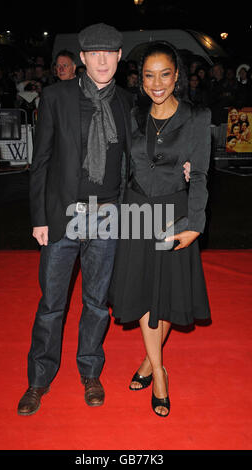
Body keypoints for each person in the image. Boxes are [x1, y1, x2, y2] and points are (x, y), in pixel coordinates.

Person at [17, 23, 133, 416]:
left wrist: (182, 165)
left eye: (110, 52)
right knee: (52, 303)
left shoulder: (127, 103)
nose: (102, 60)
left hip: (108, 217)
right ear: (82, 58)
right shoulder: (56, 97)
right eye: (94, 53)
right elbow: (42, 162)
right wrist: (39, 217)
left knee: (97, 303)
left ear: (119, 57)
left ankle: (90, 372)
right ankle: (38, 380)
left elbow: (139, 160)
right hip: (62, 216)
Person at [109, 41, 211, 418]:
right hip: (136, 213)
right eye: (148, 75)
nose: (156, 83)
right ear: (140, 79)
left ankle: (151, 363)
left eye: (164, 74)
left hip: (174, 213)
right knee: (142, 293)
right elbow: (124, 169)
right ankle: (160, 372)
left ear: (177, 76)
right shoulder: (133, 116)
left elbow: (199, 174)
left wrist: (195, 225)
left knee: (165, 295)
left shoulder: (197, 117)